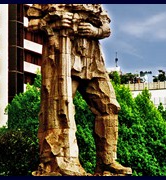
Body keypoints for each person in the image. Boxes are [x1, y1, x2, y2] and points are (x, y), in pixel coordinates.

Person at [28, 4, 132, 176]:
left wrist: (94, 31)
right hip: (62, 55)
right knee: (61, 108)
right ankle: (65, 158)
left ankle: (108, 161)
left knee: (109, 105)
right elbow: (33, 24)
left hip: (93, 59)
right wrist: (51, 23)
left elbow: (106, 28)